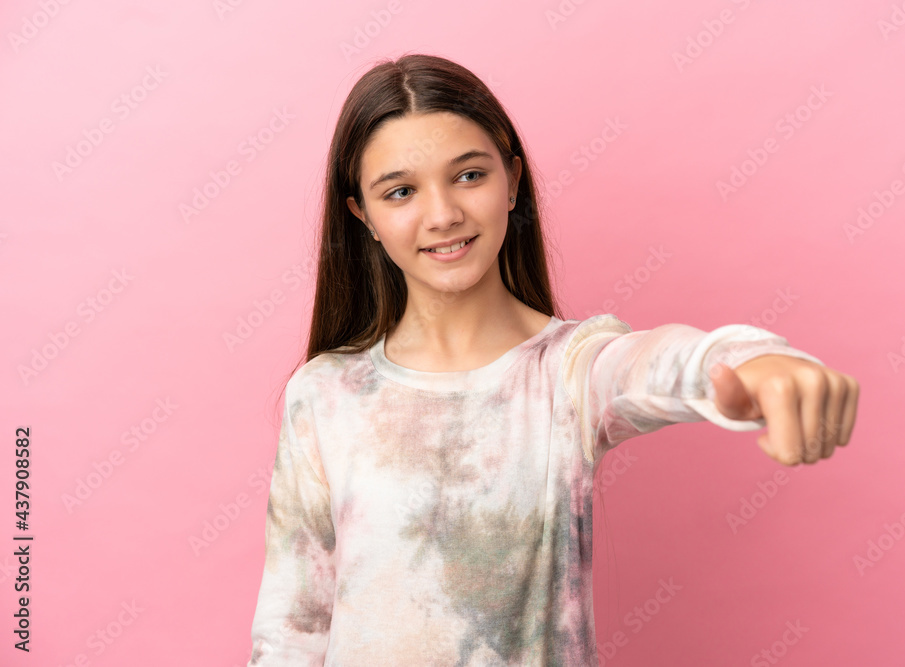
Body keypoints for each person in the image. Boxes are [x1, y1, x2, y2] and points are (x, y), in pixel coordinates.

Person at [245, 53, 859, 666]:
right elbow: (291, 632)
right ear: (364, 215)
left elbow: (652, 362)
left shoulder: (568, 372)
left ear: (512, 180)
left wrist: (753, 360)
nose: (443, 215)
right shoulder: (325, 394)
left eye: (468, 176)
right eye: (401, 191)